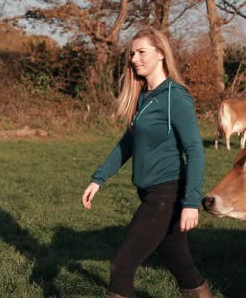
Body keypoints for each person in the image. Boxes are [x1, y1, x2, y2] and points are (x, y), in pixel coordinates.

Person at [81, 28, 212, 298]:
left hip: (166, 194)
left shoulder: (175, 96)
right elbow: (128, 143)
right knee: (180, 262)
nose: (134, 59)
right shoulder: (143, 97)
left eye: (142, 52)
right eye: (132, 53)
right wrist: (99, 179)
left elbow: (195, 150)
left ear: (161, 54)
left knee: (122, 264)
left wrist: (190, 203)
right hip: (151, 192)